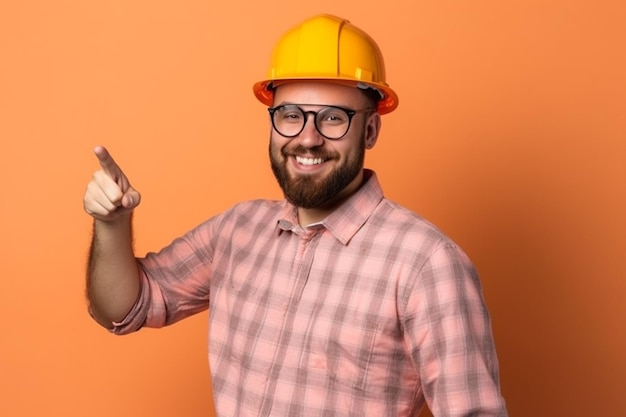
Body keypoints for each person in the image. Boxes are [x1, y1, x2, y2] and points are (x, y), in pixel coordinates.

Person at [83, 14, 508, 417]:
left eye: (333, 118)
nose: (307, 137)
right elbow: (122, 308)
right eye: (290, 115)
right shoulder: (237, 229)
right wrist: (112, 226)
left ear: (371, 130)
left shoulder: (426, 263)